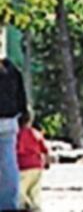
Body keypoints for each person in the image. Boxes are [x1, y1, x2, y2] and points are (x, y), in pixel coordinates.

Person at [0, 59, 27, 212]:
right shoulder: (11, 69)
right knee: (9, 164)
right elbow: (21, 96)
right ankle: (8, 205)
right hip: (9, 121)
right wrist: (23, 115)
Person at [16, 109, 48, 211]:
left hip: (23, 167)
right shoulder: (36, 133)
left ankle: (25, 205)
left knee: (20, 189)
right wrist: (47, 162)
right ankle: (35, 206)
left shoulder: (17, 135)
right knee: (35, 190)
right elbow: (45, 150)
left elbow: (15, 150)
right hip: (37, 166)